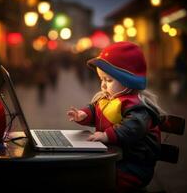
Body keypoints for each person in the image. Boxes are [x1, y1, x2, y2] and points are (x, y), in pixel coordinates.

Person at [67, 41, 165, 192]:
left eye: (109, 80)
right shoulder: (107, 99)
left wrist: (107, 135)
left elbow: (133, 127)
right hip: (113, 159)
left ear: (128, 81)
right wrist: (83, 115)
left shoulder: (137, 107)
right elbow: (95, 110)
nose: (104, 85)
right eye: (102, 80)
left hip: (132, 167)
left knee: (89, 180)